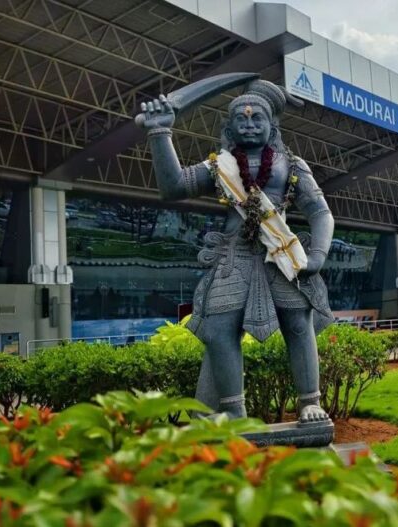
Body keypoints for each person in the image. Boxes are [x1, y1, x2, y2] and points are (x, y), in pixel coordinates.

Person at [136, 79, 333, 426]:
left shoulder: (292, 164)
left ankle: (309, 402)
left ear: (272, 127)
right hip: (234, 257)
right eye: (241, 118)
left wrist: (318, 255)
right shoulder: (219, 166)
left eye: (258, 117)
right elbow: (174, 186)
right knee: (219, 329)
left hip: (281, 253)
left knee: (298, 325)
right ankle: (232, 409)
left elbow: (320, 212)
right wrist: (160, 133)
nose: (249, 123)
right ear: (228, 127)